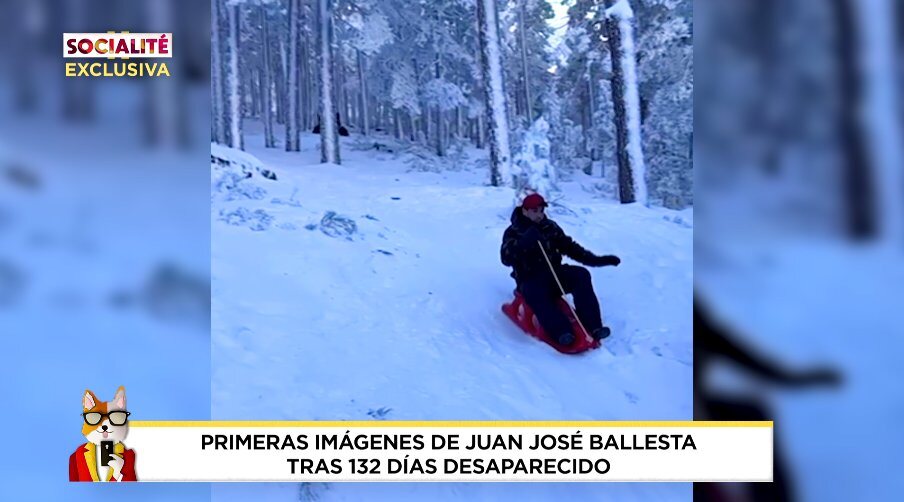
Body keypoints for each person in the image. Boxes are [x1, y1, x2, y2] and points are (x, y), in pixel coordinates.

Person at [500, 193, 620, 345]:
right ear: (524, 211)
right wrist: (525, 242)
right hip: (529, 279)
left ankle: (594, 326)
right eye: (534, 211)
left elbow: (571, 248)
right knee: (536, 292)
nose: (539, 215)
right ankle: (562, 332)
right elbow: (505, 258)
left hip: (554, 274)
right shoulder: (513, 231)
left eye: (541, 211)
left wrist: (599, 260)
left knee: (580, 275)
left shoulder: (549, 227)